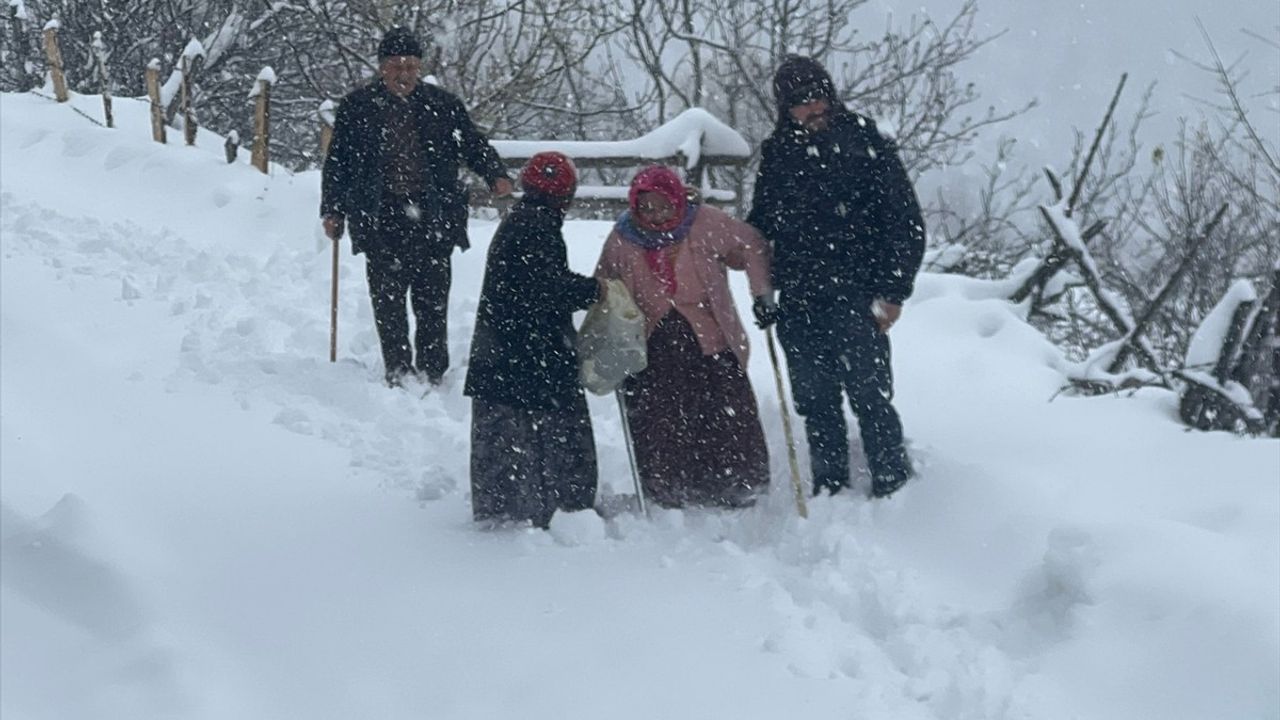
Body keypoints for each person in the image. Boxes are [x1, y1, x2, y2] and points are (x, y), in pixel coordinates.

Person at [746, 55, 925, 499]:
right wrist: (761, 288)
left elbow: (905, 222)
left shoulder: (867, 141)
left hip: (857, 292)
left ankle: (893, 483)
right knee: (815, 400)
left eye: (818, 99)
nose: (812, 110)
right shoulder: (778, 152)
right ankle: (830, 486)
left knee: (870, 395)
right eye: (801, 104)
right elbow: (760, 225)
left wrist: (893, 291)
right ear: (785, 109)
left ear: (831, 96)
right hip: (800, 297)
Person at [321, 26, 514, 387]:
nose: (404, 74)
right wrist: (332, 210)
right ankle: (397, 367)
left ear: (420, 67)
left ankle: (432, 370)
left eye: (411, 66)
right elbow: (339, 164)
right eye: (396, 66)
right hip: (379, 216)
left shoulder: (443, 106)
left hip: (433, 217)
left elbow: (474, 145)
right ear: (382, 68)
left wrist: (495, 174)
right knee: (388, 301)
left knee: (432, 300)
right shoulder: (357, 108)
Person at [595, 166, 773, 509]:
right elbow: (604, 280)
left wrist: (762, 294)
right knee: (662, 414)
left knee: (721, 410)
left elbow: (751, 244)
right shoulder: (623, 236)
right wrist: (608, 324)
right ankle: (669, 486)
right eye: (646, 207)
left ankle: (734, 482)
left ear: (678, 199)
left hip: (709, 335)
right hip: (652, 339)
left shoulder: (703, 221)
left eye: (663, 206)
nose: (655, 215)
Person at [464, 152, 603, 528]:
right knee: (553, 430)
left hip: (504, 348)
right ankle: (557, 505)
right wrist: (595, 290)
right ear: (567, 195)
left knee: (508, 434)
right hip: (531, 351)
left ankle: (509, 501)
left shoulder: (523, 219)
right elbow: (545, 287)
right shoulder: (538, 225)